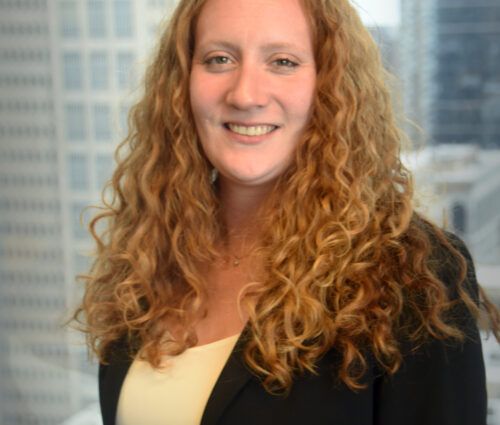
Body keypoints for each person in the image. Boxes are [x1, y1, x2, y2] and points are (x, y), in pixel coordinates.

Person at [73, 0, 500, 424]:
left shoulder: (414, 272)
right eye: (219, 59)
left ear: (330, 83)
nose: (245, 94)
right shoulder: (149, 255)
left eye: (282, 61)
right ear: (182, 82)